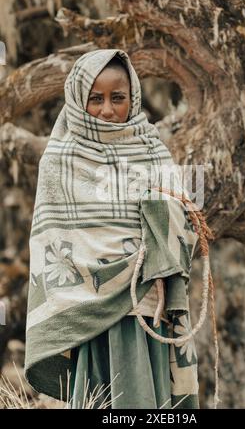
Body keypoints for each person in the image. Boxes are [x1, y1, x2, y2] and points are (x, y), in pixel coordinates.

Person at [24, 49, 200, 409]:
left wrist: (167, 215)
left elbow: (185, 225)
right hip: (87, 311)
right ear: (78, 99)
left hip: (148, 306)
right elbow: (52, 239)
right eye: (96, 99)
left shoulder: (152, 150)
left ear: (132, 98)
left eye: (117, 98)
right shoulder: (60, 158)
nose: (107, 109)